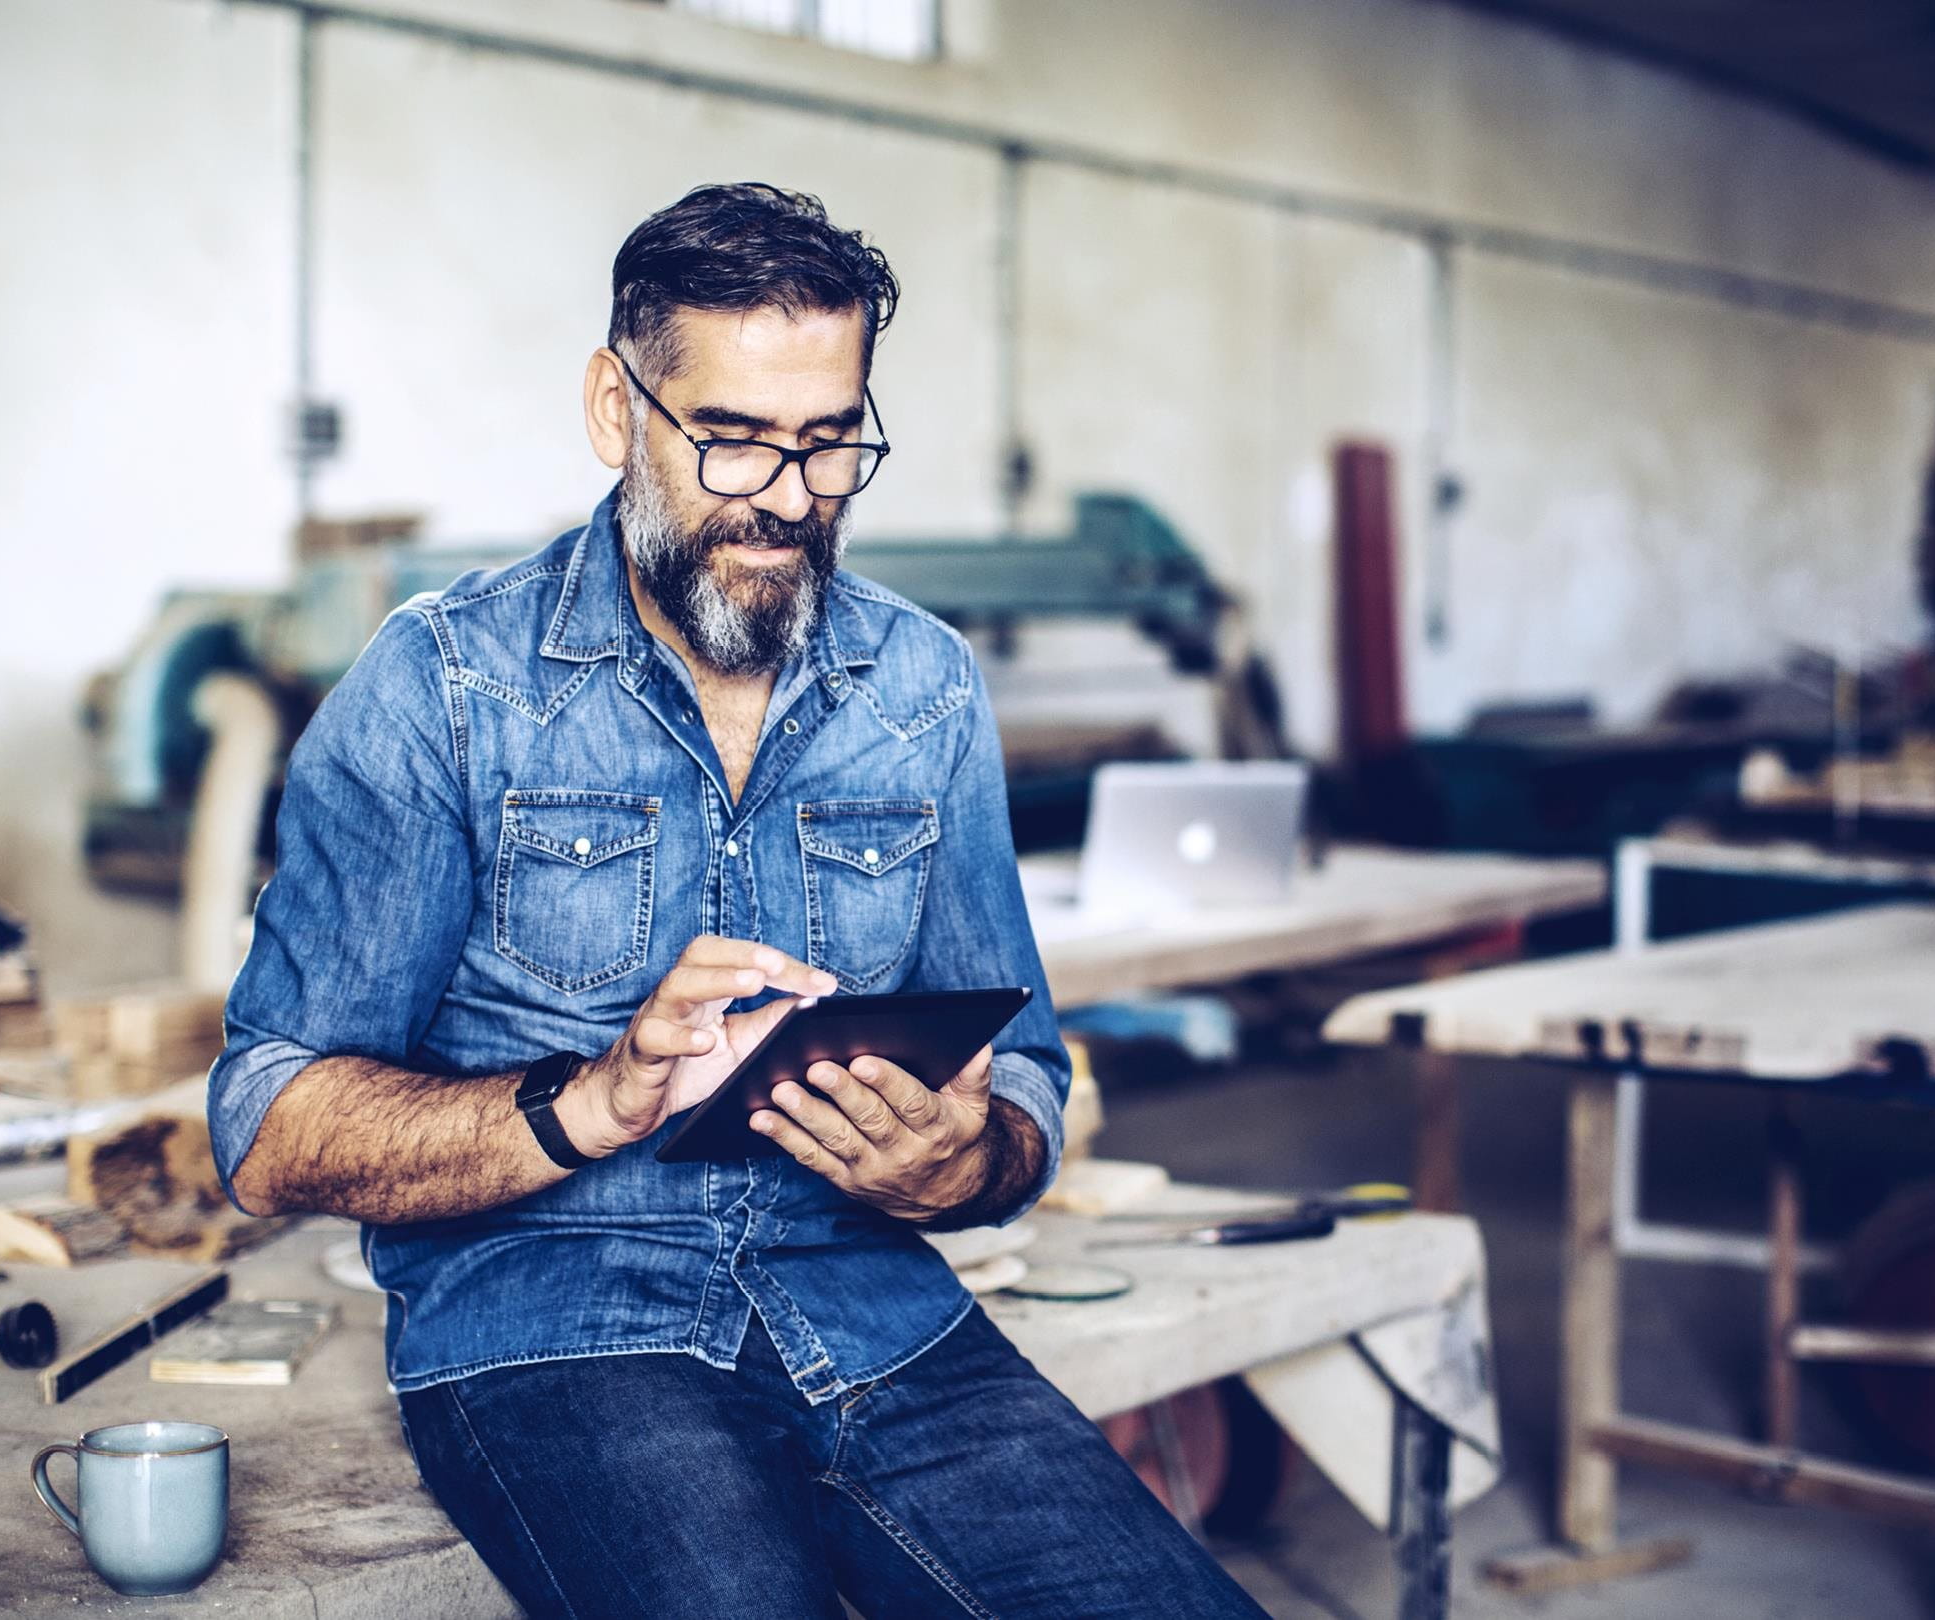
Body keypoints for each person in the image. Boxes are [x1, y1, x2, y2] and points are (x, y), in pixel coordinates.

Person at [207, 182, 1268, 1619]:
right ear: (616, 409)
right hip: (555, 1322)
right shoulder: (443, 686)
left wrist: (962, 1164)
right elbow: (268, 1122)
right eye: (732, 439)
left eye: (830, 443)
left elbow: (1022, 1070)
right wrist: (589, 1102)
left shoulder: (922, 686)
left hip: (876, 1310)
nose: (786, 496)